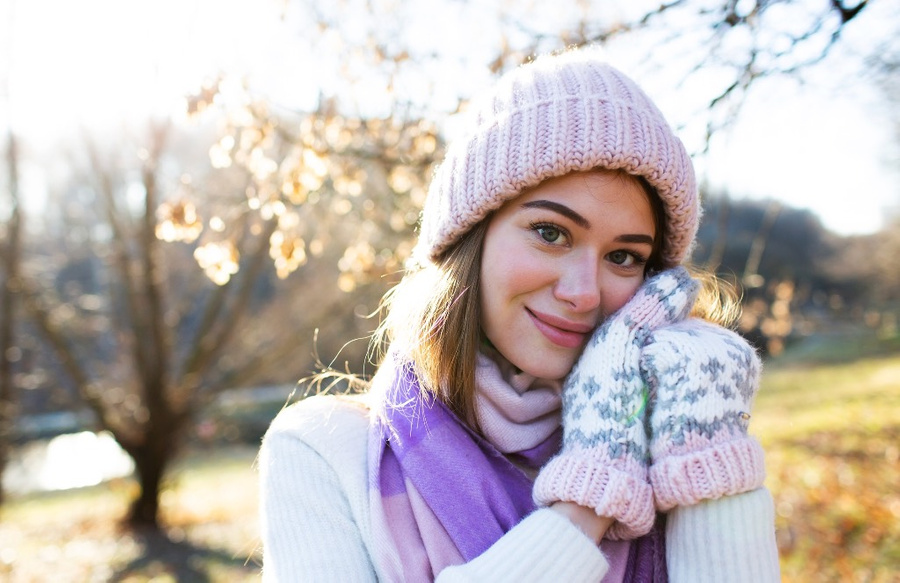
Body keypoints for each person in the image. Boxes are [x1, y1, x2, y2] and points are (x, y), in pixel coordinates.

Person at [258, 47, 781, 582]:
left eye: (623, 257)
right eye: (550, 233)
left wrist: (705, 451)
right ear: (470, 239)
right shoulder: (323, 452)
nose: (582, 293)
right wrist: (590, 498)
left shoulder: (676, 431)